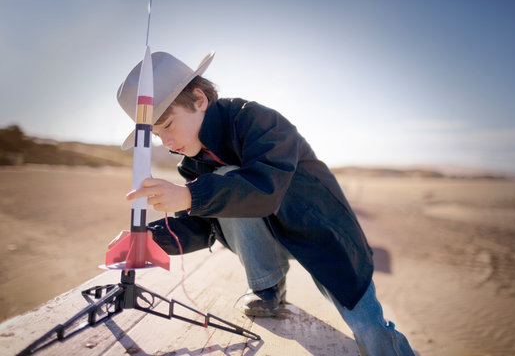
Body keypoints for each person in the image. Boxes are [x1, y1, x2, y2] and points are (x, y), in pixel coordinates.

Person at [111, 51, 415, 355]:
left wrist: (191, 195)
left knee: (371, 332)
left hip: (322, 236)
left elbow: (265, 188)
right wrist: (151, 238)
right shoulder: (192, 165)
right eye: (155, 134)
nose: (165, 141)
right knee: (222, 181)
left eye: (167, 125)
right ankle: (267, 287)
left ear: (199, 100)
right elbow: (204, 225)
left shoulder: (258, 120)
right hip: (268, 245)